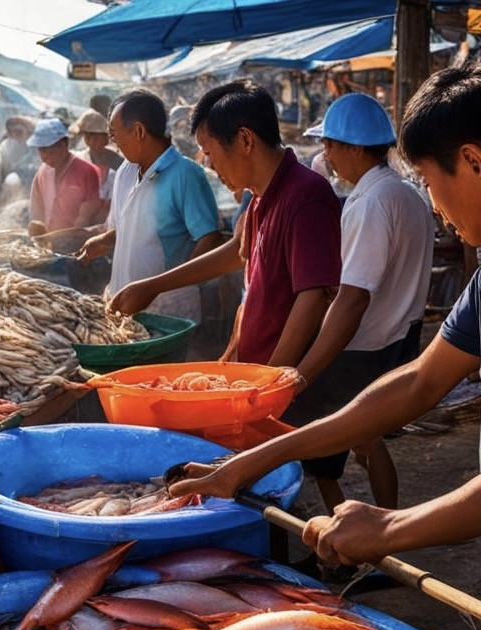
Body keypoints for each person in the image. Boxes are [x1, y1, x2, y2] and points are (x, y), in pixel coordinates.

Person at [170, 64, 481, 568]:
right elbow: (420, 381)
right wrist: (252, 462)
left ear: (471, 160)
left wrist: (390, 529)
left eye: (428, 179)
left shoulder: (353, 199)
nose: (435, 206)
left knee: (360, 449)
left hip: (365, 345)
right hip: (390, 346)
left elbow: (339, 297)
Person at [107, 80, 340, 370]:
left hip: (281, 379)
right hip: (255, 368)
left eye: (209, 152)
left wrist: (273, 381)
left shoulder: (305, 195)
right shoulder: (260, 197)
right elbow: (237, 254)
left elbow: (313, 296)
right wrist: (154, 286)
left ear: (244, 140)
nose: (210, 165)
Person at [290, 93, 436, 514]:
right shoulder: (406, 193)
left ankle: (361, 530)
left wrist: (304, 372)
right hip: (398, 337)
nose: (326, 154)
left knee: (327, 442)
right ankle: (382, 525)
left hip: (363, 346)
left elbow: (354, 298)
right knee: (365, 438)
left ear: (356, 148)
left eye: (331, 144)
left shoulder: (372, 202)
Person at [78, 90, 223, 322]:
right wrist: (105, 240)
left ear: (138, 131)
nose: (113, 143)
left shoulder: (185, 174)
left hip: (168, 310)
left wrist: (168, 287)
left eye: (114, 135)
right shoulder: (126, 171)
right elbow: (131, 227)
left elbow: (210, 240)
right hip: (122, 301)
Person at [25, 118, 103, 252]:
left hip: (76, 245)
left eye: (48, 150)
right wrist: (40, 238)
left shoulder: (86, 171)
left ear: (63, 145)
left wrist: (68, 242)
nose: (44, 156)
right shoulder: (42, 172)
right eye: (41, 150)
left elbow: (87, 215)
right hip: (46, 245)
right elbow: (36, 209)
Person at [71, 109, 123, 225]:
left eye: (95, 137)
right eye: (87, 137)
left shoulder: (119, 163)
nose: (91, 141)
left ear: (106, 137)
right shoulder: (80, 159)